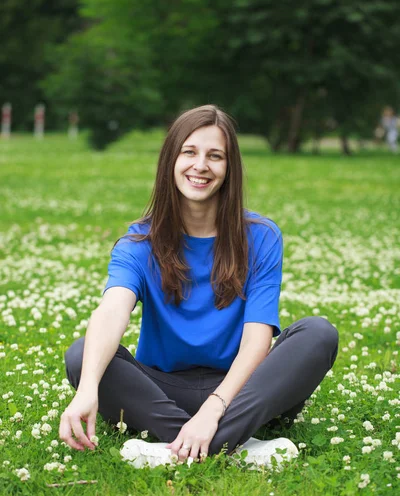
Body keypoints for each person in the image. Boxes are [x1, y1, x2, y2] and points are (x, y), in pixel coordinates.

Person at [60, 105, 339, 469]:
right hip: (162, 390)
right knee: (83, 356)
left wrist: (214, 408)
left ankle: (177, 447)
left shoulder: (262, 236)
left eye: (215, 156)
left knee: (318, 333)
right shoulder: (137, 243)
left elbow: (258, 340)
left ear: (229, 168)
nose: (200, 165)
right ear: (170, 161)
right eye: (189, 152)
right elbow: (112, 309)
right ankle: (238, 446)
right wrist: (87, 389)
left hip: (243, 391)